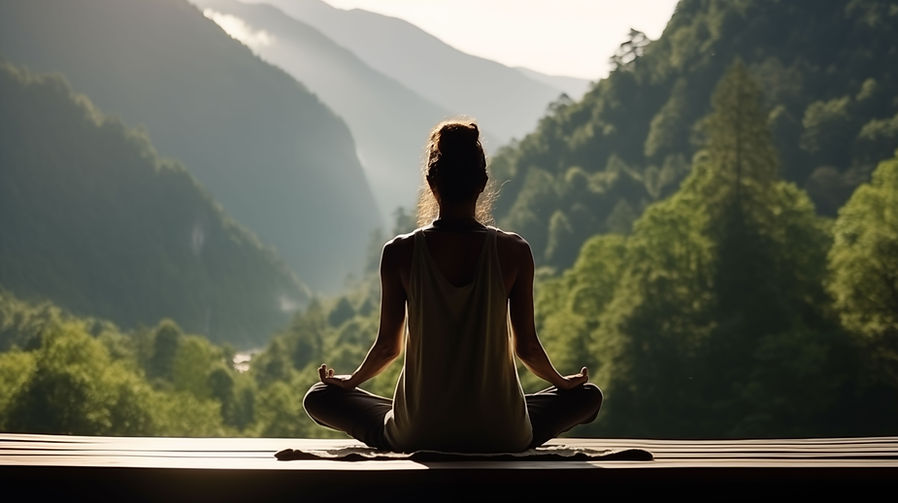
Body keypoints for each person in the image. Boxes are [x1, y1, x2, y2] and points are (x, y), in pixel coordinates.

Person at [303, 119, 602, 452]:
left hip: (418, 434)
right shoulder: (514, 251)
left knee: (320, 397)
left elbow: (389, 347)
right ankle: (471, 422)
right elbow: (527, 348)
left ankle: (413, 419)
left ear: (431, 183)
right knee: (588, 397)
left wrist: (351, 381)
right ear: (482, 183)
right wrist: (562, 382)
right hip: (502, 434)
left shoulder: (400, 252)